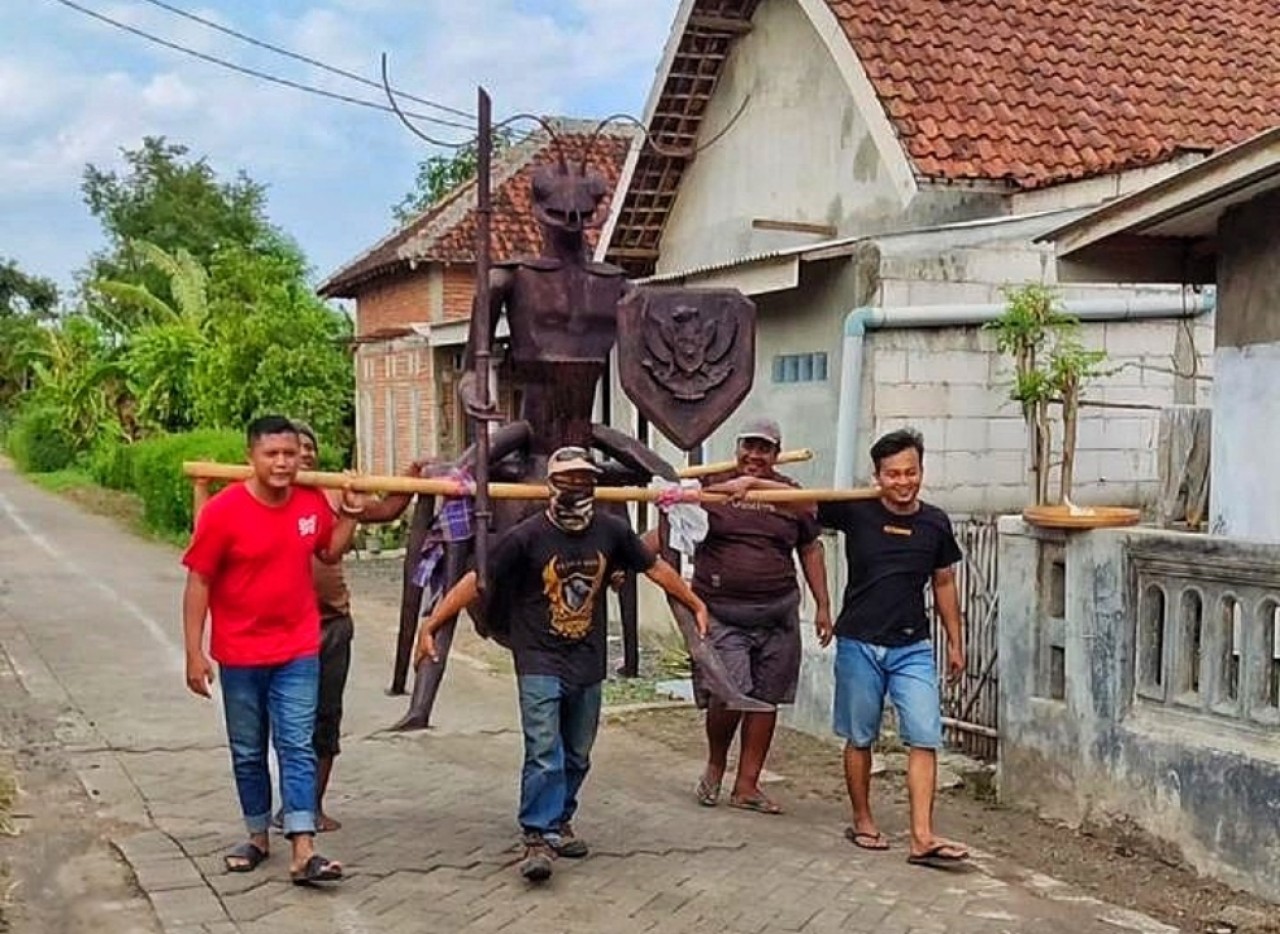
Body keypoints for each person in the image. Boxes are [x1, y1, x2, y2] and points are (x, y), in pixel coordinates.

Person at [414, 446, 710, 884]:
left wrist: (694, 601)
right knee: (544, 751)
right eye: (568, 479)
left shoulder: (610, 532)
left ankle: (559, 820)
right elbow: (478, 581)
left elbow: (655, 567)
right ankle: (536, 834)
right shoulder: (526, 537)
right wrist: (432, 622)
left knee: (577, 753)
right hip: (538, 656)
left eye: (585, 480)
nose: (577, 488)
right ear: (551, 484)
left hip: (586, 659)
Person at [181, 415, 359, 885]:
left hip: (298, 648)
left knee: (296, 745)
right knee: (247, 749)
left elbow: (330, 550)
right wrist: (193, 653)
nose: (283, 462)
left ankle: (303, 847)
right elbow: (198, 580)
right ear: (251, 458)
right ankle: (257, 835)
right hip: (239, 652)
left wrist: (353, 514)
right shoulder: (224, 512)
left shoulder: (309, 502)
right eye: (272, 454)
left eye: (291, 454)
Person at [816, 428, 969, 868]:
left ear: (921, 471)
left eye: (911, 472)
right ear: (877, 476)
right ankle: (862, 819)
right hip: (859, 642)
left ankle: (922, 836)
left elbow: (943, 582)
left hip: (912, 647)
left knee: (923, 736)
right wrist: (752, 484)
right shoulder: (856, 510)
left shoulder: (935, 523)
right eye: (893, 474)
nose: (904, 482)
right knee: (860, 735)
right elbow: (799, 505)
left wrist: (956, 642)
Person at [689, 417, 832, 815]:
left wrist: (822, 603)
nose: (754, 455)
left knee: (766, 700)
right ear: (737, 449)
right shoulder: (710, 486)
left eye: (764, 448)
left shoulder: (790, 495)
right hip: (722, 613)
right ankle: (716, 766)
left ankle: (747, 785)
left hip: (778, 613)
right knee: (729, 694)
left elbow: (811, 548)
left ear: (776, 454)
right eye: (748, 447)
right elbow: (674, 525)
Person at [289, 421, 423, 832]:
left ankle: (311, 805)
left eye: (310, 447)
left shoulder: (334, 492)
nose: (305, 455)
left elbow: (384, 511)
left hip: (332, 624)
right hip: (285, 627)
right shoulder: (270, 497)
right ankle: (288, 804)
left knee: (326, 719)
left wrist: (409, 481)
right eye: (296, 448)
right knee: (289, 720)